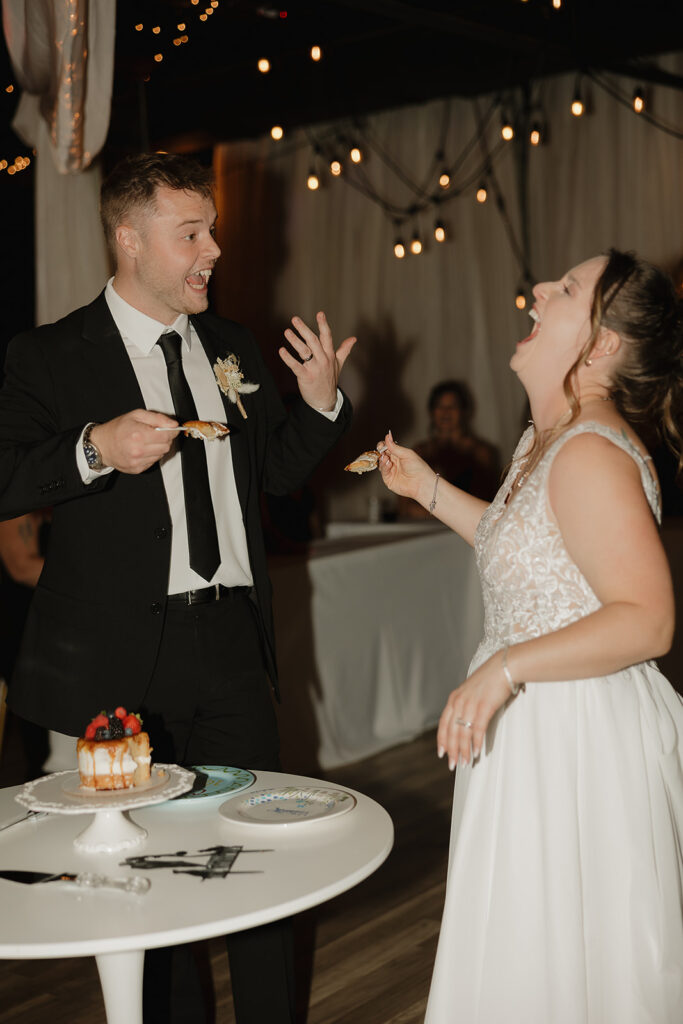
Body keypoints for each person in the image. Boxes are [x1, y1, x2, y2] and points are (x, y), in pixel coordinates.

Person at [0, 152, 355, 1023]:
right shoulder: (49, 356)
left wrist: (318, 406)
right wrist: (93, 449)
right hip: (123, 667)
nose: (214, 251)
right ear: (128, 238)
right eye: (190, 233)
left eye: (212, 230)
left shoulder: (230, 347)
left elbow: (273, 475)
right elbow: (6, 476)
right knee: (148, 877)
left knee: (262, 854)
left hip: (232, 645)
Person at [378, 249, 683, 1022]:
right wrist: (429, 488)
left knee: (565, 961)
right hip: (540, 729)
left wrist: (504, 670)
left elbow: (647, 619)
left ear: (602, 344)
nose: (540, 289)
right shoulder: (546, 440)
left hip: (576, 742)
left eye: (567, 288)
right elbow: (529, 552)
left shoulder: (585, 452)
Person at [398, 379, 499, 518]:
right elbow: (404, 507)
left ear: (463, 412)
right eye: (440, 406)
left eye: (453, 406)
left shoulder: (480, 452)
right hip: (424, 529)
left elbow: (488, 502)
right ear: (431, 412)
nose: (446, 412)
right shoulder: (420, 452)